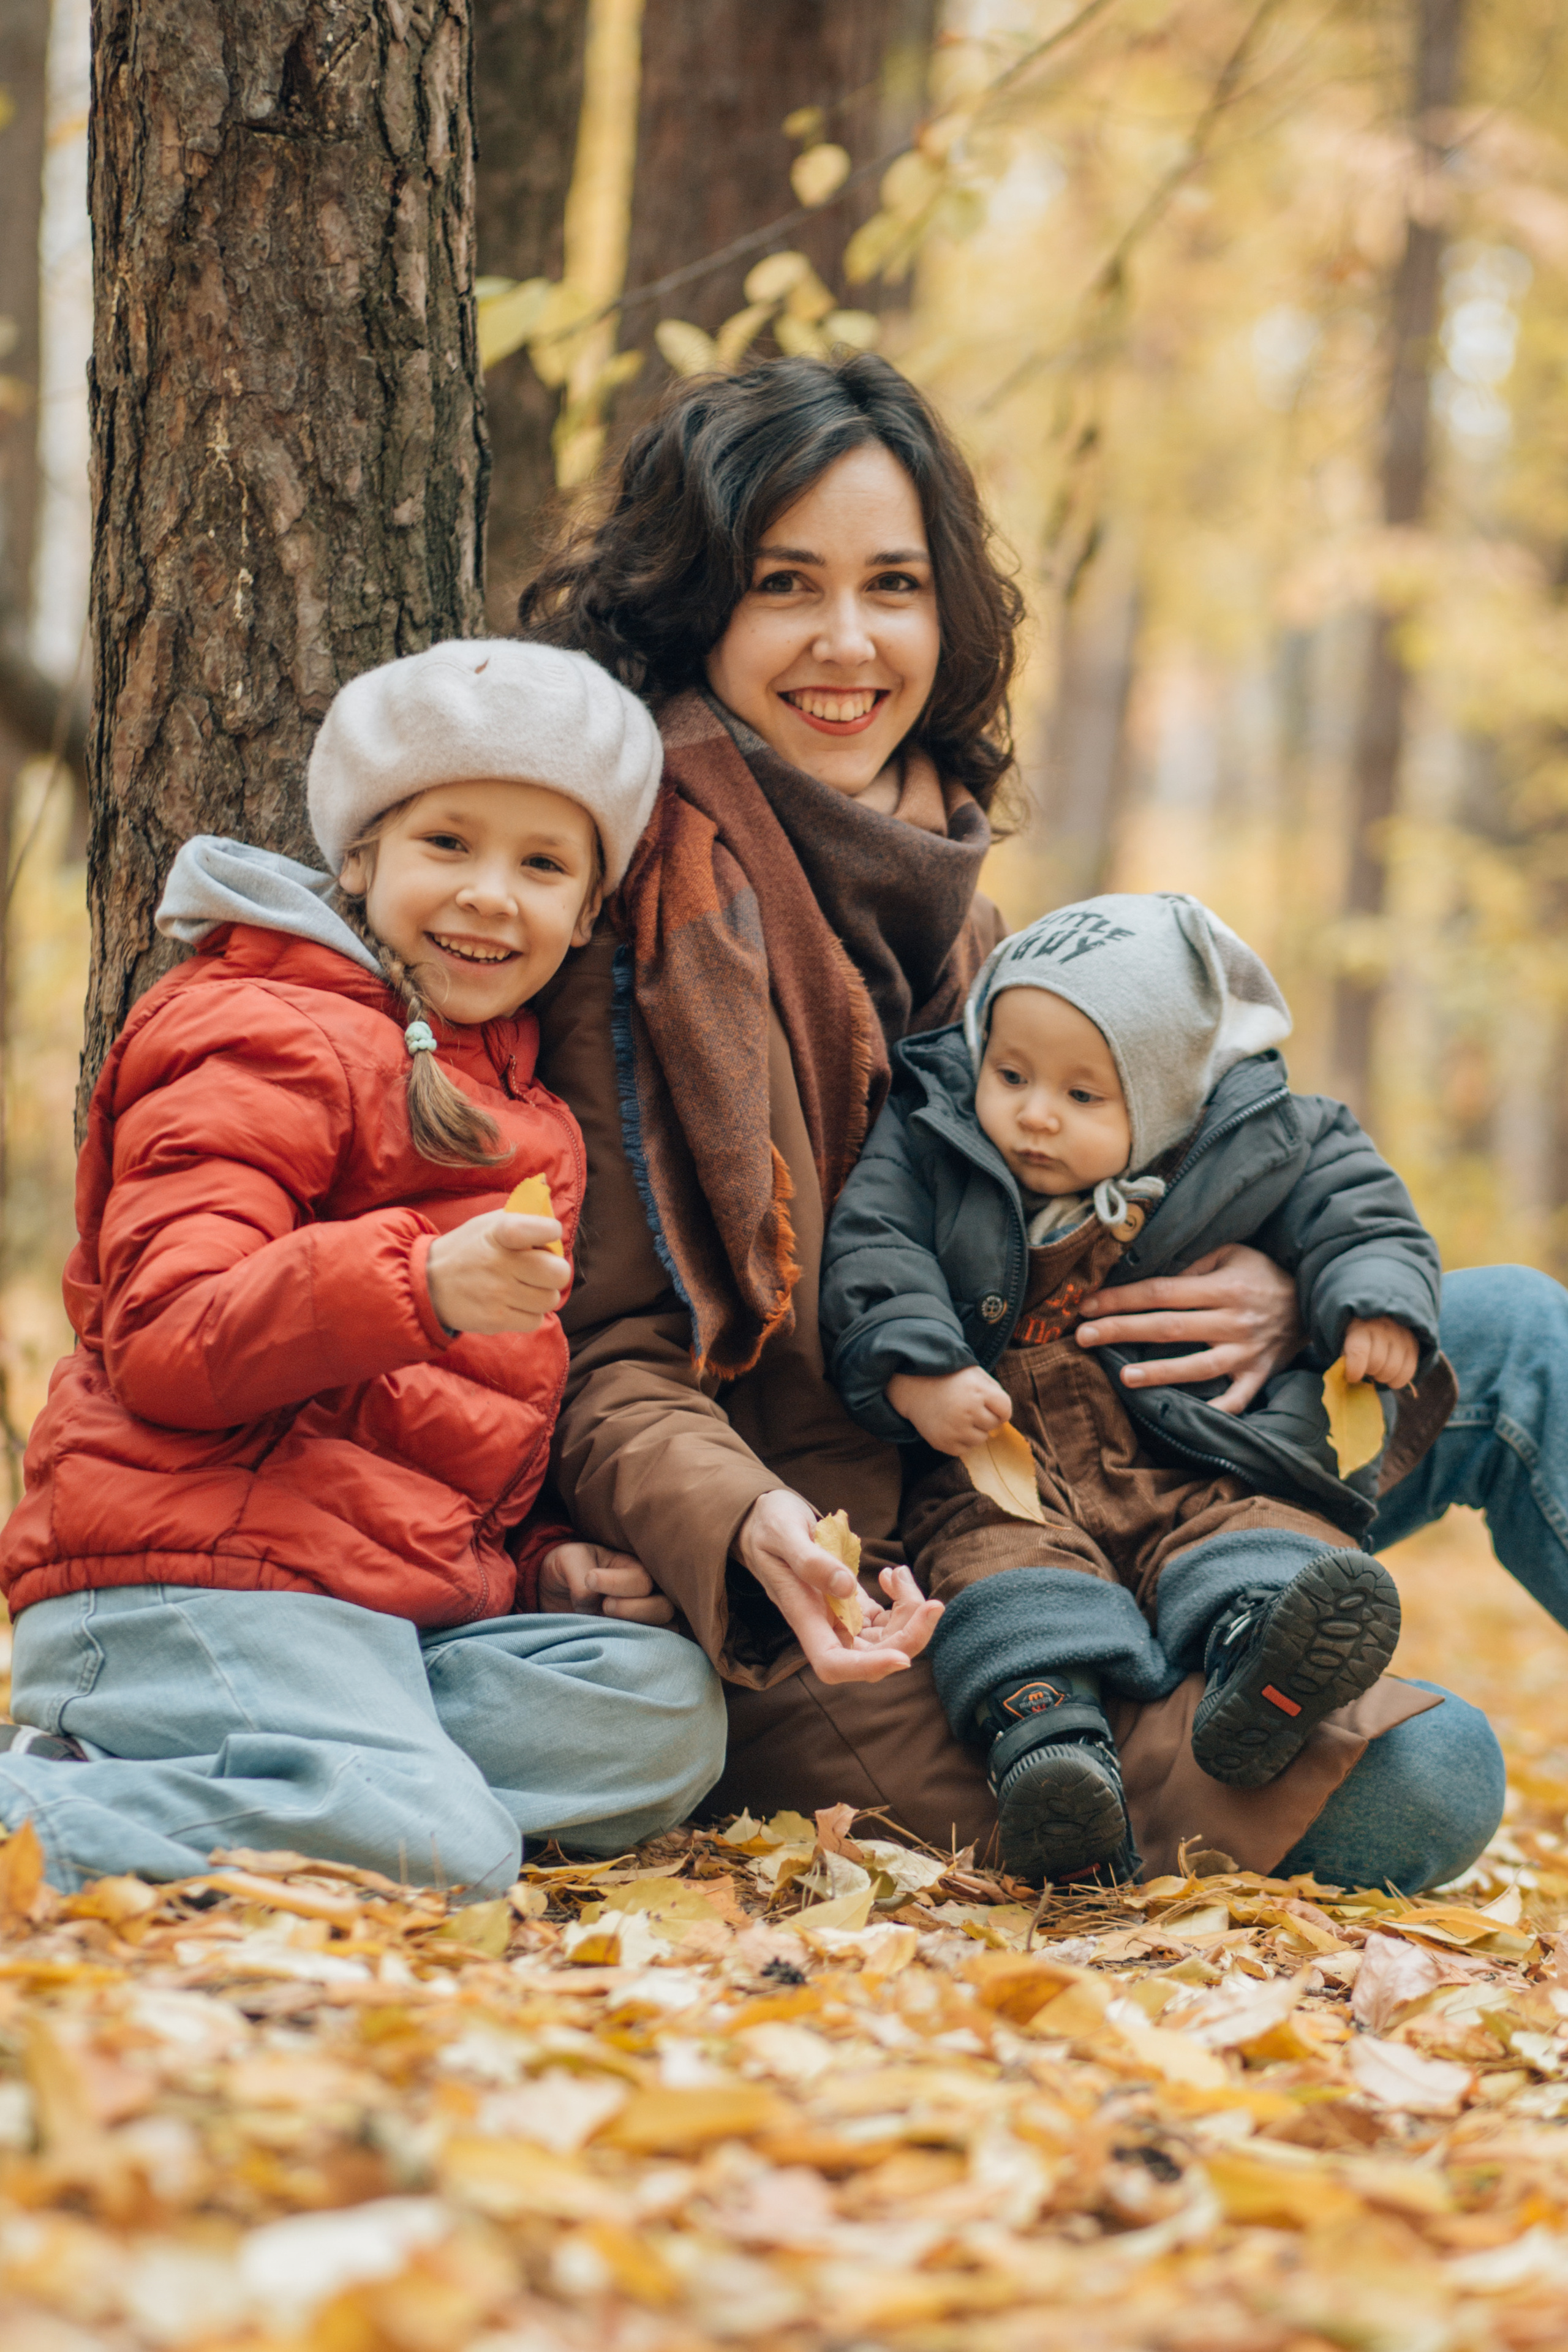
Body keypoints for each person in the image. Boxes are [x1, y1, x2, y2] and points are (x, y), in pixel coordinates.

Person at [522, 349, 1548, 1894]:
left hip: (1093, 1432)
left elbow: (1114, 1160)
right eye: (785, 585)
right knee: (1423, 1779)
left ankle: (1211, 1634)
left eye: (893, 585)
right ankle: (1116, 1705)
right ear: (696, 605)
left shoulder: (950, 889)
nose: (848, 642)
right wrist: (746, 1531)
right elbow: (611, 1362)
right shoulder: (637, 916)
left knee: (1516, 1337)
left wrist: (1284, 1286)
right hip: (874, 1558)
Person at [0, 640, 725, 1894]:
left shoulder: (526, 1102)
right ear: (362, 857)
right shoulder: (265, 1024)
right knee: (439, 1852)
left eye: (542, 864)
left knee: (658, 1712)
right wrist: (420, 1283)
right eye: (449, 844)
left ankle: (216, 1777)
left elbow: (442, 1432)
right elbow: (170, 1337)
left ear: (586, 909)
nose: (492, 895)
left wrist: (545, 1560)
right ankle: (69, 1802)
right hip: (190, 1577)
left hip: (376, 1611)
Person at [821, 891, 1456, 1882]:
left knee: (1246, 1526)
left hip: (1184, 1439)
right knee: (999, 1572)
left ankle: (1266, 1662)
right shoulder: (932, 1132)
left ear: (1164, 1099)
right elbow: (875, 1247)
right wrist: (920, 1370)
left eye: (1084, 1097)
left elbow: (1358, 1207)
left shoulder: (1260, 1139)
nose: (1034, 1114)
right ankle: (1051, 1756)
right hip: (1001, 1458)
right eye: (1012, 1073)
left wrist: (1372, 1303)